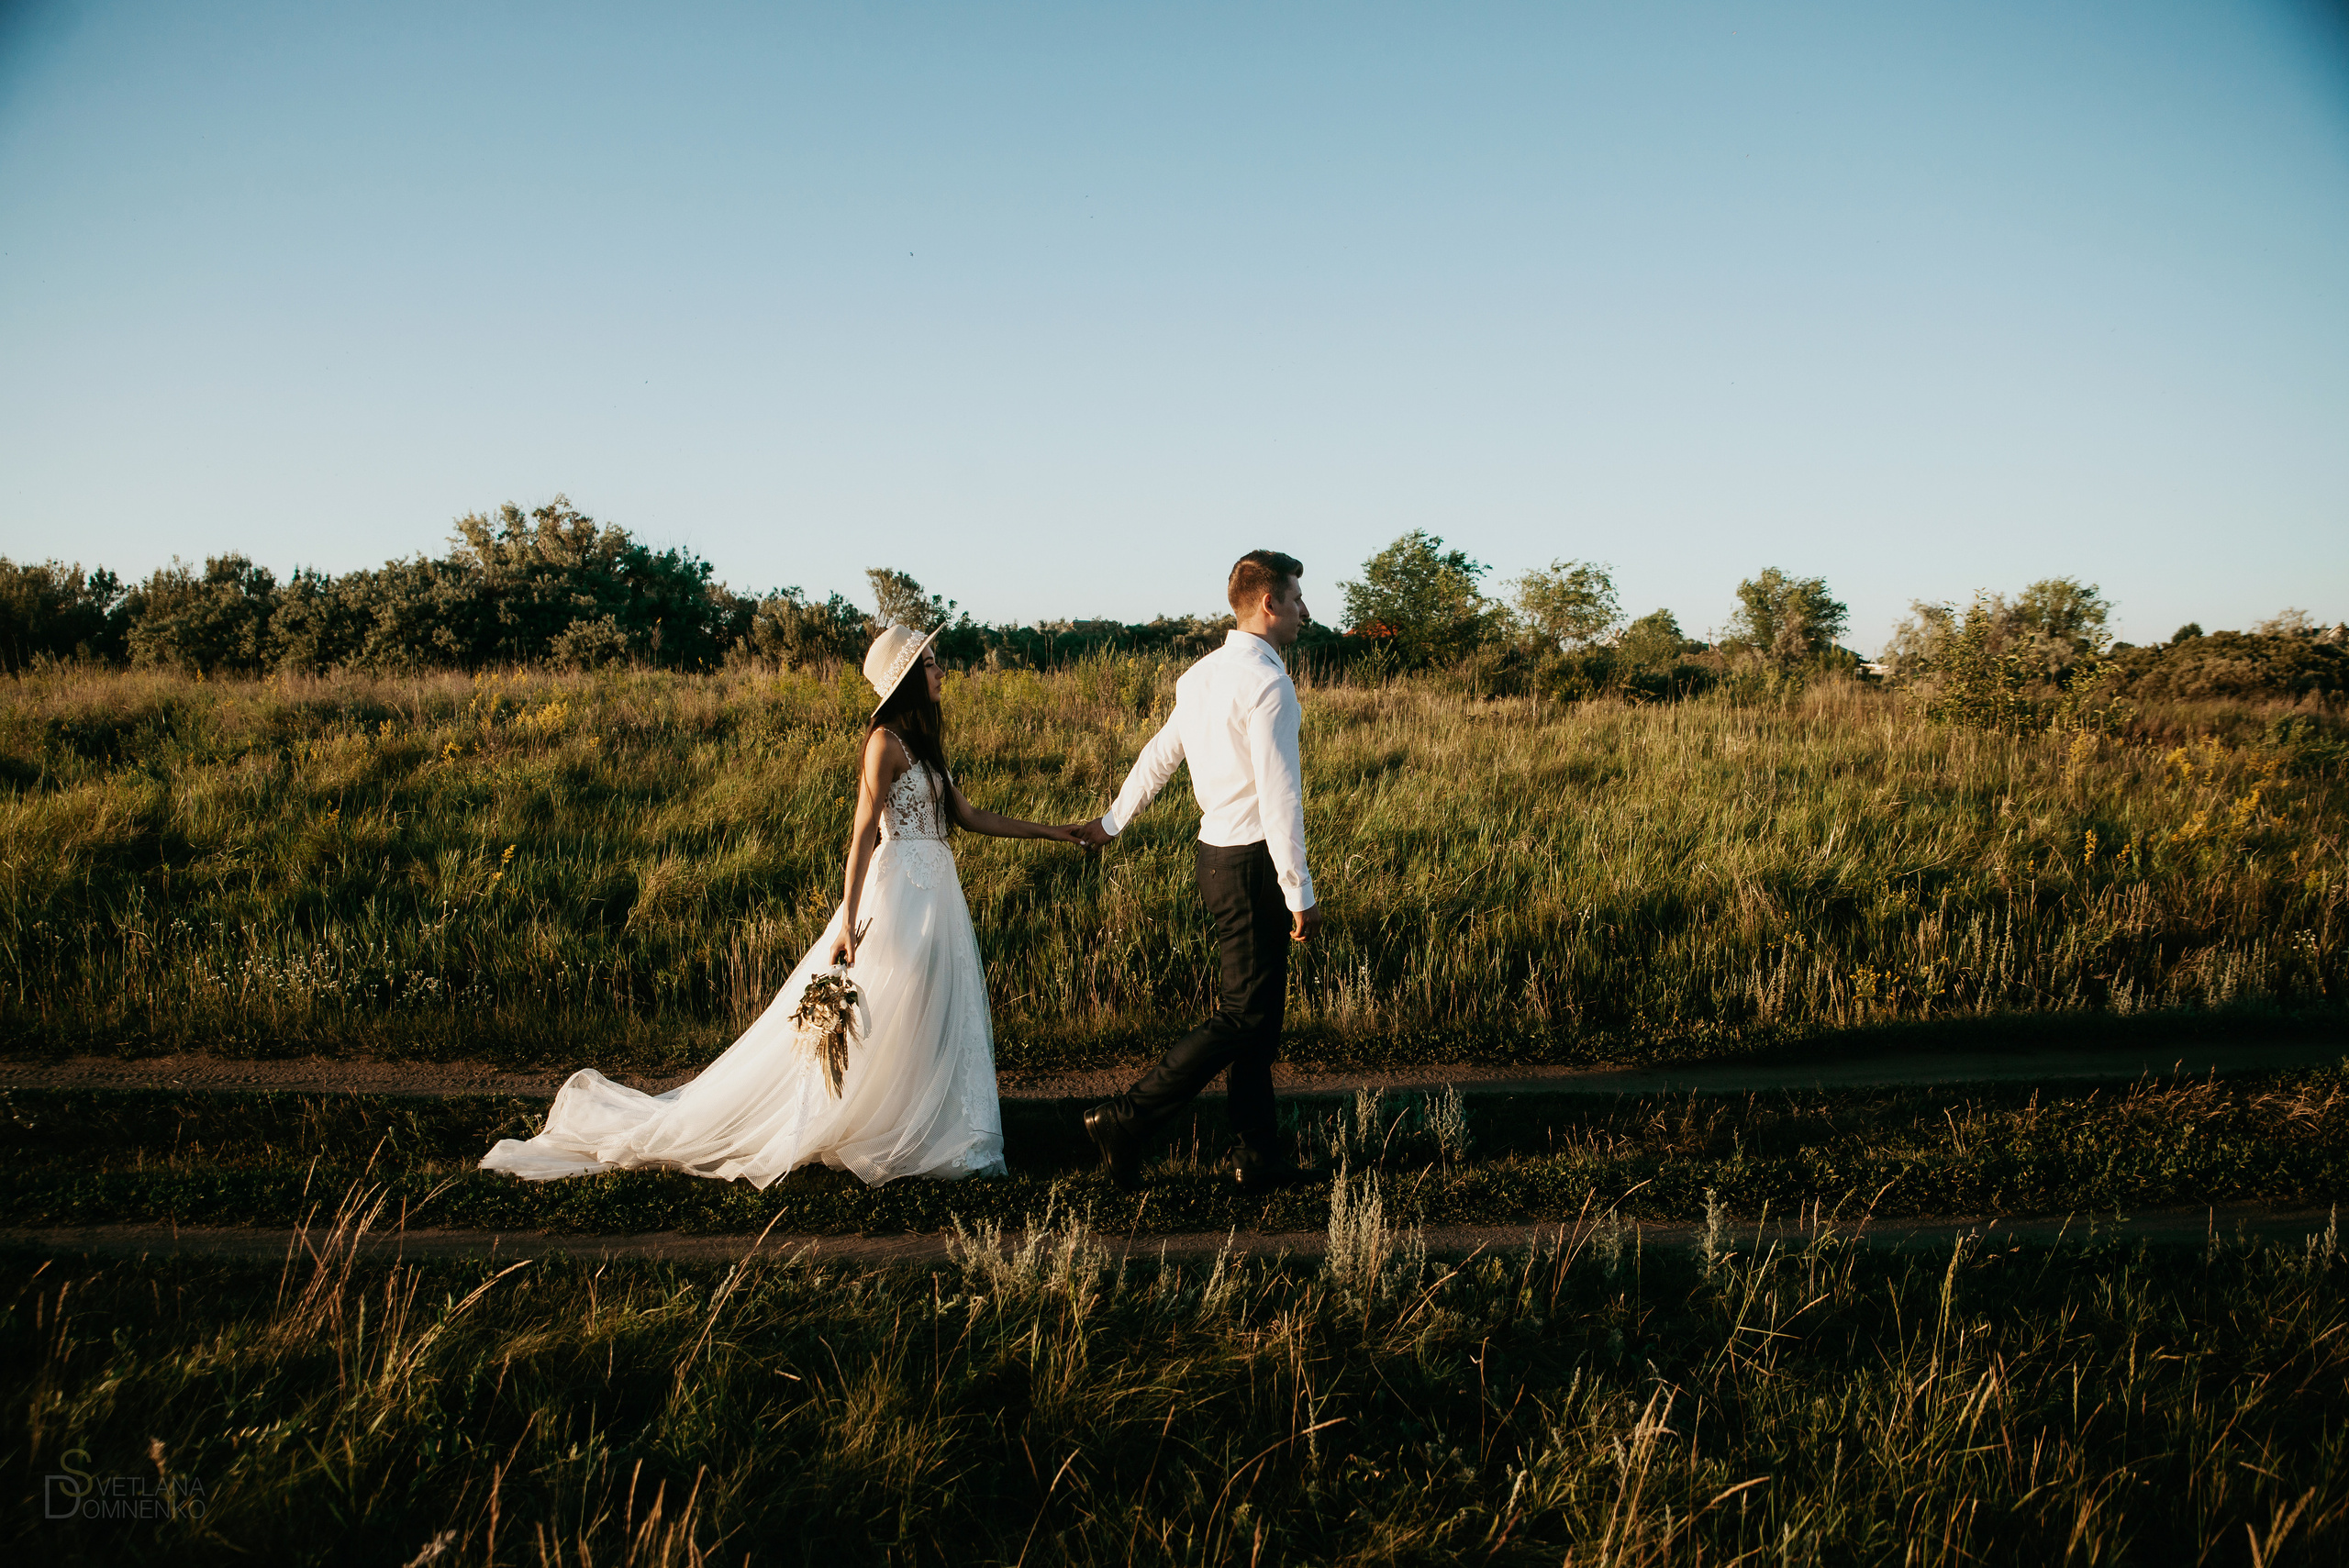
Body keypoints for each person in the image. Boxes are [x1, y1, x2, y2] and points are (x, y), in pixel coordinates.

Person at [481, 624, 1081, 1187]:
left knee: (927, 1008)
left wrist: (1057, 830)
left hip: (939, 891)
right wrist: (847, 922)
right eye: (929, 663)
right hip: (901, 891)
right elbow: (863, 834)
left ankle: (925, 1130)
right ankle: (883, 1128)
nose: (940, 670)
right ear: (904, 677)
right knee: (895, 1005)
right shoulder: (883, 743)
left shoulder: (923, 741)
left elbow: (969, 816)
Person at [1074, 549, 1323, 1194]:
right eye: (1296, 598)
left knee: (1259, 1019)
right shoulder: (1269, 684)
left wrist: (1113, 821)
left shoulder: (1201, 675)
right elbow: (1279, 795)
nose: (1303, 610)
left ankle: (1260, 1150)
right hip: (1249, 865)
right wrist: (1300, 891)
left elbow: (1159, 756)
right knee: (1244, 1017)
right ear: (1269, 603)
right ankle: (1127, 1120)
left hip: (1215, 859)